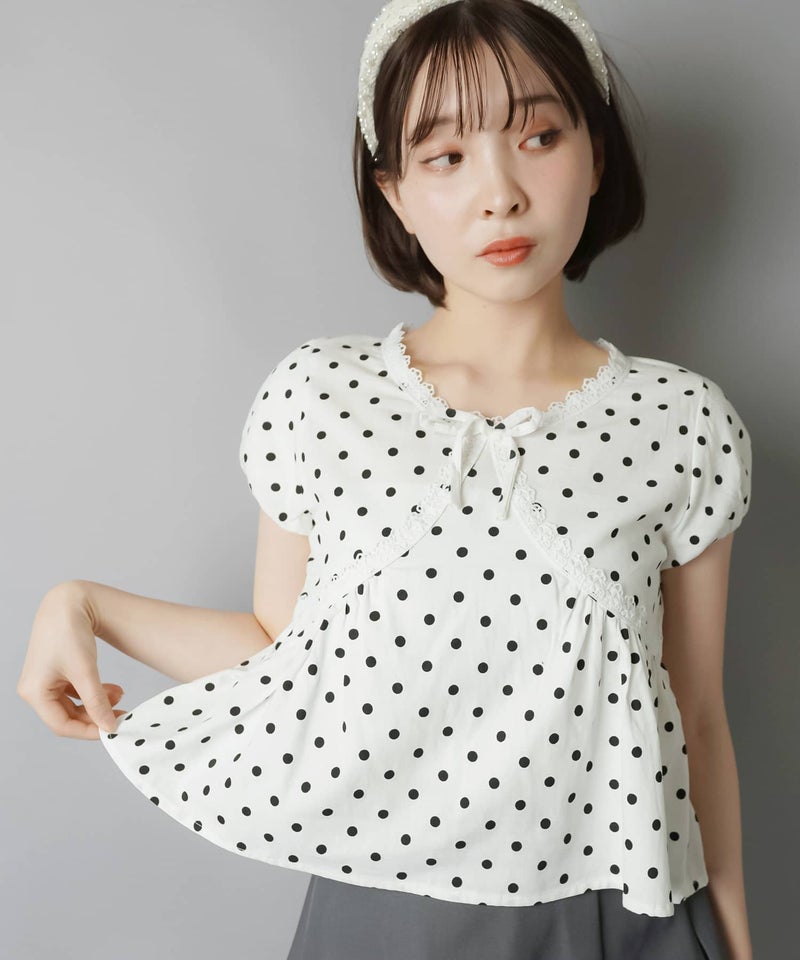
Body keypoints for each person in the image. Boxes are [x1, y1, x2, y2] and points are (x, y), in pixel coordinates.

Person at [17, 2, 753, 958]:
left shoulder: (682, 422)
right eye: (446, 156)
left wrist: (735, 940)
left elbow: (696, 717)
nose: (500, 194)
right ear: (395, 192)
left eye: (538, 137)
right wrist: (81, 605)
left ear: (596, 155)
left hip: (626, 912)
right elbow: (281, 654)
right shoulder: (321, 397)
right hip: (386, 913)